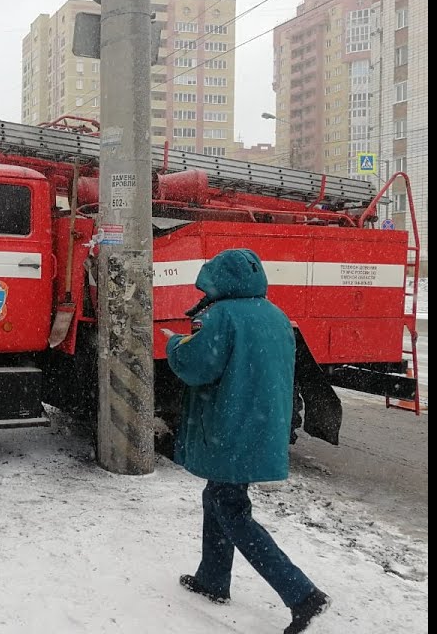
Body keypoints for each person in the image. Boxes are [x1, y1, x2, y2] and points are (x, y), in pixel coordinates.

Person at [162, 248, 331, 634]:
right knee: (218, 497)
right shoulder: (276, 315)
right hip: (261, 424)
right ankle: (212, 579)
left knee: (230, 508)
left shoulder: (220, 317)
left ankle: (302, 594)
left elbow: (196, 366)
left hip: (230, 426)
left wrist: (175, 344)